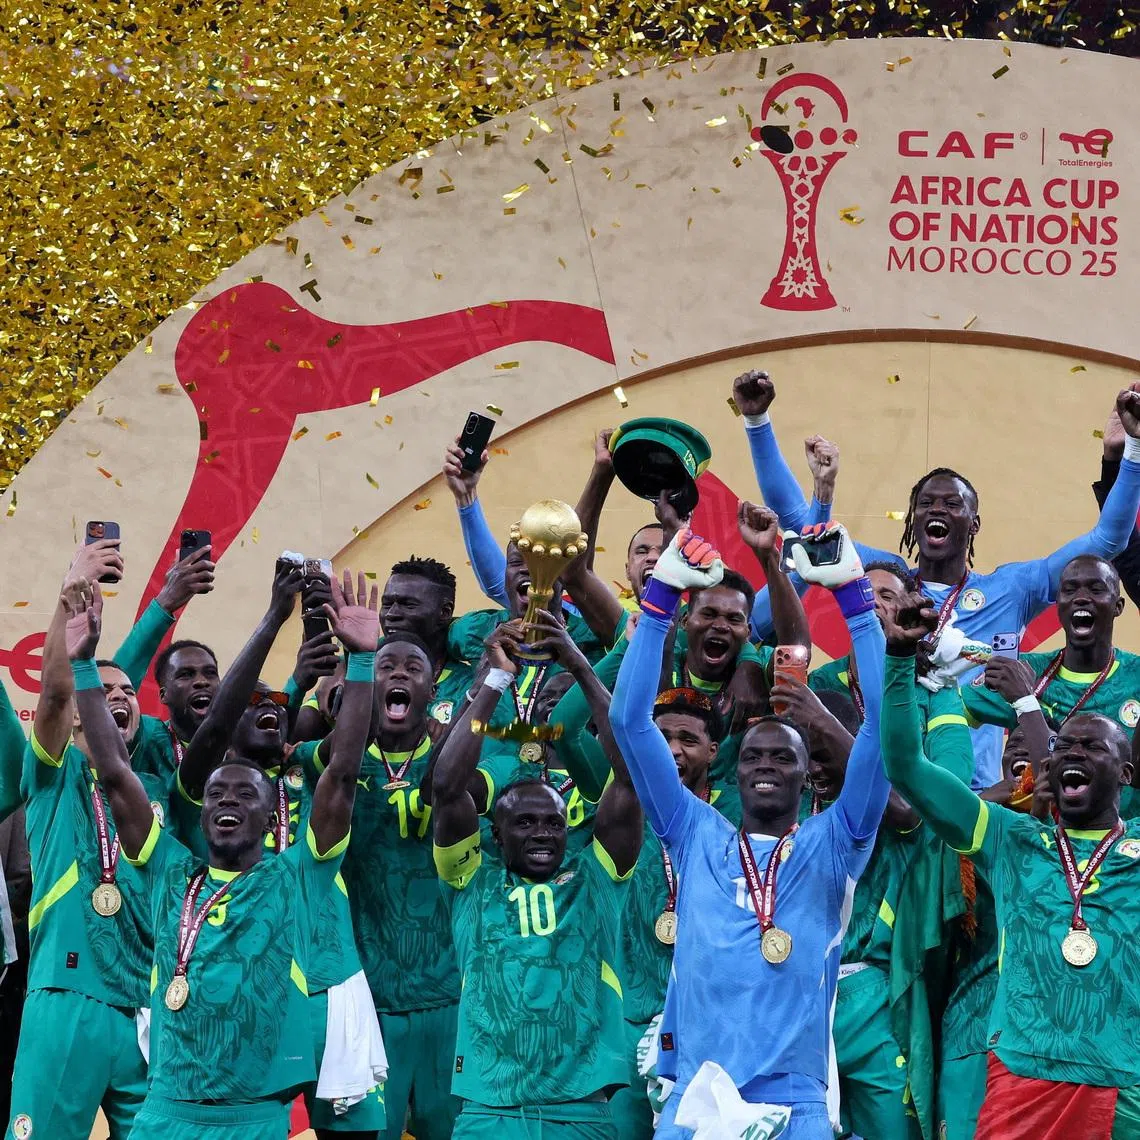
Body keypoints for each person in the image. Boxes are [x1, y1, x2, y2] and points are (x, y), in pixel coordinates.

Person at [66, 569, 378, 1139]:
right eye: (215, 793)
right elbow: (113, 770)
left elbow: (344, 772)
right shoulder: (168, 869)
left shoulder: (298, 873)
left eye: (244, 793)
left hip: (253, 1118)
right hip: (165, 1114)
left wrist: (361, 663)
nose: (227, 800)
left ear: (270, 815)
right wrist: (83, 666)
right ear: (201, 812)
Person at [610, 522, 889, 1139]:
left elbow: (882, 735)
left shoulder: (835, 844)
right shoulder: (693, 831)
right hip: (697, 1100)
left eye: (783, 756)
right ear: (735, 772)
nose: (766, 765)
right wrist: (658, 600)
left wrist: (853, 598)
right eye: (755, 757)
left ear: (806, 773)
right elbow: (628, 721)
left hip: (795, 1107)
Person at [735, 369, 1140, 787]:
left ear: (974, 523)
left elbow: (1109, 538)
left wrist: (1131, 451)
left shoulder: (1013, 589)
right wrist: (757, 423)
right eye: (925, 503)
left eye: (952, 504)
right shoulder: (888, 581)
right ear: (913, 519)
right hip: (888, 793)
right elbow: (802, 524)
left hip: (977, 794)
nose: (937, 510)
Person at [880, 591, 1140, 1139]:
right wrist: (900, 660)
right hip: (1021, 1078)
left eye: (1093, 748)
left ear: (1127, 774)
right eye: (1063, 745)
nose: (1071, 753)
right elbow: (906, 768)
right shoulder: (1008, 837)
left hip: (1123, 1082)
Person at [173, 565, 386, 1139]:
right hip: (245, 981)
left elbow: (345, 762)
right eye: (254, 701)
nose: (269, 706)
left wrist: (362, 660)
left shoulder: (307, 770)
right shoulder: (209, 787)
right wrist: (276, 621)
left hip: (330, 972)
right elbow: (218, 725)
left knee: (354, 1130)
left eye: (277, 703)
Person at [431, 619, 644, 1140]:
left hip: (581, 1113)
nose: (543, 833)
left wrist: (577, 664)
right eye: (524, 823)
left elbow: (631, 774)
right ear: (495, 835)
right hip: (489, 1115)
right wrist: (493, 682)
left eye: (554, 821)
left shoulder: (597, 876)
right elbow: (445, 786)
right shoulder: (468, 879)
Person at [292, 630, 502, 1140]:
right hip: (363, 999)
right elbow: (286, 743)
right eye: (386, 666)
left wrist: (489, 683)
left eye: (415, 667)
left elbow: (448, 785)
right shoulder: (336, 761)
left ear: (434, 691)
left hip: (448, 996)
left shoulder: (476, 757)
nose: (400, 674)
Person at [5, 540, 169, 1140]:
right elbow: (51, 692)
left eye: (129, 691)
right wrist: (70, 599)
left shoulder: (156, 792)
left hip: (148, 1011)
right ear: (78, 713)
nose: (120, 696)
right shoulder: (51, 774)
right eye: (102, 690)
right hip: (67, 995)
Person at [963, 555, 1140, 736]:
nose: (1081, 598)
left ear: (1118, 606)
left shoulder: (1136, 675)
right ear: (1058, 604)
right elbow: (947, 710)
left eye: (1095, 590)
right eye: (1069, 590)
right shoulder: (1019, 670)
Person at [379, 555, 472, 726]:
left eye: (408, 605)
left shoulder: (469, 684)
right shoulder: (360, 668)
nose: (391, 614)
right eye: (386, 604)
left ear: (445, 612)